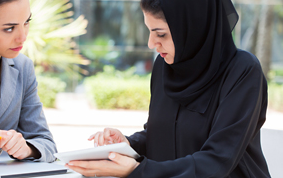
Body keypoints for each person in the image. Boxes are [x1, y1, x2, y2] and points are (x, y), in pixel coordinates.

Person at [66, 0, 271, 177]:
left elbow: (217, 161)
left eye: (161, 34)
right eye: (150, 31)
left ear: (193, 27)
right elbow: (162, 134)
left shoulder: (243, 71)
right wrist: (128, 145)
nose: (151, 43)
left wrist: (137, 171)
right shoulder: (165, 66)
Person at [0, 0, 57, 163]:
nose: (22, 37)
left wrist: (27, 148)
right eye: (9, 28)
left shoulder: (23, 67)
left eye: (26, 22)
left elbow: (47, 144)